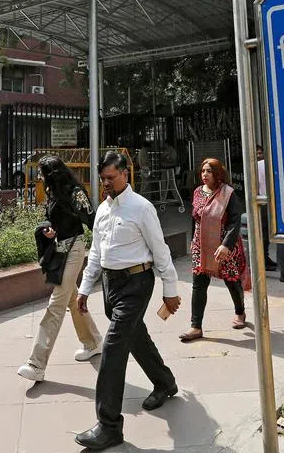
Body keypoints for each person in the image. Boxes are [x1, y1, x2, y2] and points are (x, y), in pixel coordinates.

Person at [74, 151, 180, 451]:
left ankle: (109, 426)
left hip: (137, 282)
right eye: (102, 178)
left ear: (125, 174)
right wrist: (84, 289)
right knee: (135, 337)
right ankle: (165, 382)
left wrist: (170, 288)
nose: (106, 183)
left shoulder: (141, 208)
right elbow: (96, 252)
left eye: (111, 177)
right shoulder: (103, 211)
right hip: (111, 285)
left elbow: (160, 250)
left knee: (113, 347)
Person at [16, 156, 103, 383]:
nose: (40, 178)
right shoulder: (53, 192)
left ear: (51, 173)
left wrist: (105, 250)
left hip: (75, 249)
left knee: (56, 304)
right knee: (72, 300)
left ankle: (37, 363)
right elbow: (50, 219)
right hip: (61, 249)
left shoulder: (75, 192)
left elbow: (92, 220)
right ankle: (93, 342)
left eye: (42, 173)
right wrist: (49, 230)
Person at [179, 158, 249, 342]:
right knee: (199, 284)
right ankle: (195, 326)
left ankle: (240, 312)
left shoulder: (228, 194)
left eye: (209, 171)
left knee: (231, 281)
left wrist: (226, 245)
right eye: (202, 171)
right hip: (201, 245)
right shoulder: (197, 192)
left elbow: (234, 221)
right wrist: (193, 241)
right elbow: (195, 218)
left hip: (225, 246)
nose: (204, 174)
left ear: (217, 173)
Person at [257, 145, 284, 282]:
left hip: (262, 203)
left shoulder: (257, 166)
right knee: (281, 238)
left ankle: (261, 265)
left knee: (262, 237)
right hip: (278, 204)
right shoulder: (280, 165)